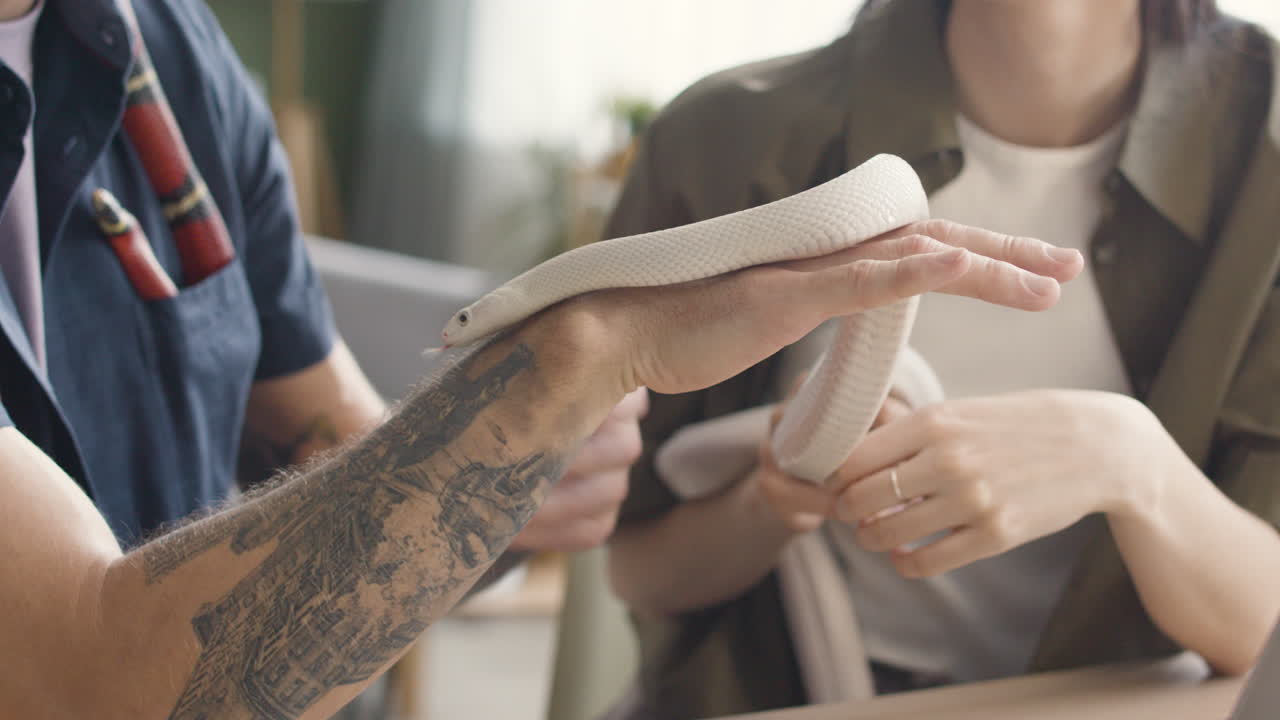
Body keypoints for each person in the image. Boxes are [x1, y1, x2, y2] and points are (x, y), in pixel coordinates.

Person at [0, 0, 1074, 717]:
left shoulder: (168, 47)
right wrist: (570, 364)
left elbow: (339, 441)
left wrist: (494, 470)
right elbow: (94, 684)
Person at [605, 0, 1280, 717]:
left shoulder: (1264, 151)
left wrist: (1126, 458)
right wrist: (775, 497)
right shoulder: (722, 136)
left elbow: (1260, 629)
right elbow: (641, 573)